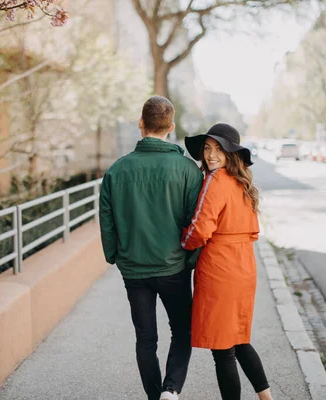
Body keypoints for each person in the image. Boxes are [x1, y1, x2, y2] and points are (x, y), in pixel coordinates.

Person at [99, 96, 204, 400]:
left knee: (146, 339)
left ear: (141, 124)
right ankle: (171, 390)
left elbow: (106, 220)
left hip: (134, 269)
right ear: (171, 127)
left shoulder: (117, 171)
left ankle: (155, 396)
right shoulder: (186, 170)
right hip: (174, 267)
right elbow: (196, 221)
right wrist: (191, 260)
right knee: (181, 331)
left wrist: (114, 256)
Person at [181, 123, 273, 400]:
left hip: (220, 269)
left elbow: (200, 229)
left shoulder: (217, 180)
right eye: (207, 149)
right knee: (239, 339)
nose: (210, 155)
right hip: (244, 266)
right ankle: (267, 398)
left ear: (231, 153)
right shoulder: (242, 182)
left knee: (223, 350)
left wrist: (184, 242)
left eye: (218, 149)